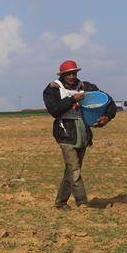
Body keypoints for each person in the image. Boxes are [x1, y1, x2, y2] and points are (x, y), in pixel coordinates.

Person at [42, 59, 116, 211]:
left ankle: (60, 202)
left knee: (72, 169)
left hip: (83, 132)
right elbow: (54, 110)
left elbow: (109, 102)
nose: (72, 76)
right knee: (74, 169)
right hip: (65, 133)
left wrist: (106, 117)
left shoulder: (86, 87)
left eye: (74, 73)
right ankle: (82, 202)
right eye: (68, 74)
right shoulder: (53, 89)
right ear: (62, 75)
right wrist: (72, 99)